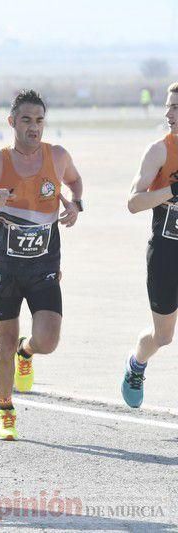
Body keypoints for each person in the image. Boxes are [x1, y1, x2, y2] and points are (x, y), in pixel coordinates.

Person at [0, 89, 83, 441]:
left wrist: (75, 203)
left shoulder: (56, 156)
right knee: (4, 340)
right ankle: (5, 409)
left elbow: (74, 181)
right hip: (5, 268)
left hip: (44, 265)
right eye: (26, 120)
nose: (34, 127)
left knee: (48, 340)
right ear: (12, 122)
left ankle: (27, 353)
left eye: (39, 120)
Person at [123, 82, 178, 408]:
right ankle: (136, 365)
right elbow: (133, 202)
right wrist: (172, 192)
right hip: (166, 254)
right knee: (163, 336)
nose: (168, 113)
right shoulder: (159, 151)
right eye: (169, 106)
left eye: (176, 108)